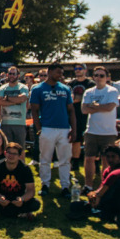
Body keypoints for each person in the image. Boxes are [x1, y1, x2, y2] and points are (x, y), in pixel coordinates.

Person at [29, 63, 77, 194]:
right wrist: (39, 128)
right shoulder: (38, 89)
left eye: (62, 73)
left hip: (64, 128)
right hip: (47, 128)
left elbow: (71, 110)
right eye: (58, 72)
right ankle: (45, 185)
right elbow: (34, 110)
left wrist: (74, 129)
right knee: (45, 158)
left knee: (65, 159)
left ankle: (65, 186)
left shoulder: (66, 89)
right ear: (49, 72)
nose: (60, 75)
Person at [81, 66, 120, 194]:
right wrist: (97, 107)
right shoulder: (89, 92)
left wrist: (94, 106)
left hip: (108, 132)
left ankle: (105, 186)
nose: (98, 78)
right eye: (96, 75)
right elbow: (84, 109)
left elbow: (110, 107)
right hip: (91, 131)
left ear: (107, 78)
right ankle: (88, 185)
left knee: (106, 160)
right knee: (89, 158)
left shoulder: (112, 91)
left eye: (102, 75)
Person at [85, 145, 120, 225]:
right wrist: (94, 195)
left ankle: (118, 213)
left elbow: (114, 175)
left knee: (116, 181)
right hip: (114, 201)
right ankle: (107, 212)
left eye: (113, 157)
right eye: (108, 157)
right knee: (78, 205)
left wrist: (98, 195)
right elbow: (103, 186)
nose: (110, 159)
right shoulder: (108, 170)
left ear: (119, 157)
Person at [0, 141, 40, 220]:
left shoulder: (25, 169)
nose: (11, 156)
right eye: (9, 153)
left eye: (14, 154)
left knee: (36, 204)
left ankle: (1, 212)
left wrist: (22, 200)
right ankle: (19, 212)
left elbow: (31, 191)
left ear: (19, 156)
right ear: (5, 153)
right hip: (1, 197)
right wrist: (0, 197)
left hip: (17, 198)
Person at [0, 66, 30, 146]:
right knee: (6, 148)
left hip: (20, 123)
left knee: (20, 148)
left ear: (18, 75)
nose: (11, 76)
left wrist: (7, 98)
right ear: (7, 75)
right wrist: (15, 101)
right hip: (5, 123)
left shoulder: (23, 87)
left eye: (14, 74)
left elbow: (22, 99)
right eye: (10, 74)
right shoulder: (2, 88)